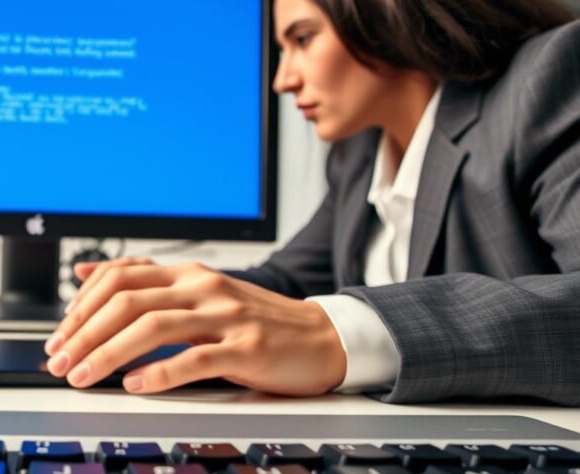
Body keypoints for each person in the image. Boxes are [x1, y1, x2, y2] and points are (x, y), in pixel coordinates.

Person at [43, 0, 580, 405]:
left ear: (387, 12)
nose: (283, 79)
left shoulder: (547, 80)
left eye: (302, 38)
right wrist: (167, 296)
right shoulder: (358, 155)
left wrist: (341, 333)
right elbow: (287, 287)